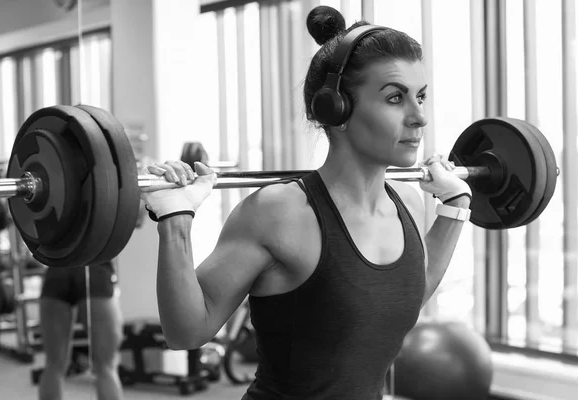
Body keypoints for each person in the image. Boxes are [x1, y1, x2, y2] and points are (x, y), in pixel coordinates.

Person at [141, 6, 472, 400]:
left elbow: (405, 296)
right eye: (395, 98)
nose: (419, 117)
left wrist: (454, 205)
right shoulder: (279, 213)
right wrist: (175, 219)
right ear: (337, 109)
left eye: (420, 96)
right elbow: (186, 331)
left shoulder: (408, 202)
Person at [37, 201, 147, 400]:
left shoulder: (57, 180)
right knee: (106, 366)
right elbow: (137, 220)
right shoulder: (109, 181)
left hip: (57, 270)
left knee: (53, 364)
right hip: (96, 270)